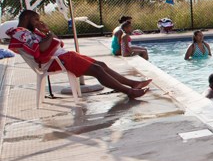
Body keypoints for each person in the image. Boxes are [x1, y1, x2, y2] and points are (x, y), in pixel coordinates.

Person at [6, 10, 151, 99]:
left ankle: (133, 84)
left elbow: (57, 41)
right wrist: (48, 36)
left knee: (101, 65)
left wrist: (47, 32)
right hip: (55, 60)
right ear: (26, 19)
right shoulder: (21, 33)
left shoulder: (31, 32)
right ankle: (129, 92)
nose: (38, 22)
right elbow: (42, 49)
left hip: (61, 56)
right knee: (97, 70)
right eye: (35, 19)